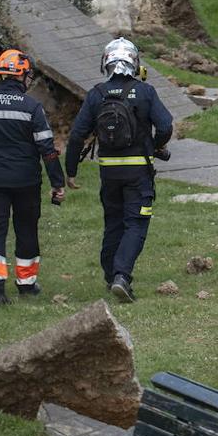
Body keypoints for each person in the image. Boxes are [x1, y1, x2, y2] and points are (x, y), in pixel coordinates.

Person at [65, 38, 173, 303]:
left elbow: (77, 135)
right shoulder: (145, 92)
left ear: (107, 62)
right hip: (138, 172)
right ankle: (122, 276)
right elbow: (166, 126)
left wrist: (70, 171)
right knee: (135, 223)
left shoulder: (97, 94)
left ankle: (110, 274)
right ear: (134, 63)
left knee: (113, 223)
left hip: (109, 173)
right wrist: (154, 146)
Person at [0, 49, 66, 307]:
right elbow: (47, 150)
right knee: (26, 229)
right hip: (26, 181)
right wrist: (57, 182)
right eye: (28, 74)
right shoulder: (32, 108)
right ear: (21, 75)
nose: (30, 79)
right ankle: (27, 285)